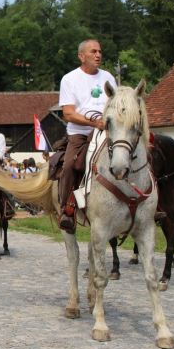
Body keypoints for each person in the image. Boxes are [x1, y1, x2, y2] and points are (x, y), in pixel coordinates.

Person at [58, 39, 117, 232]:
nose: (98, 55)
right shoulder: (69, 79)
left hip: (107, 132)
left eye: (99, 51)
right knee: (69, 166)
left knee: (134, 154)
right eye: (93, 51)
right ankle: (67, 210)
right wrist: (94, 123)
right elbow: (68, 113)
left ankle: (147, 204)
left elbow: (117, 104)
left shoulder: (108, 77)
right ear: (81, 56)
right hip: (80, 134)